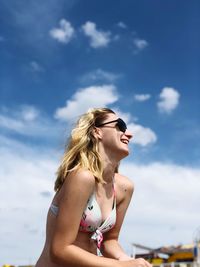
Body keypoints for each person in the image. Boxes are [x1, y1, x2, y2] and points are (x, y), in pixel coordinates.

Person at [35, 107, 151, 267]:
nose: (129, 134)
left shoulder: (124, 188)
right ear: (97, 132)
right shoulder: (82, 177)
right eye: (120, 126)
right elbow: (60, 250)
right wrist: (123, 266)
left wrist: (128, 260)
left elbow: (109, 241)